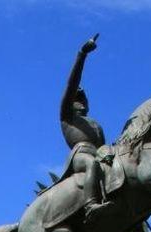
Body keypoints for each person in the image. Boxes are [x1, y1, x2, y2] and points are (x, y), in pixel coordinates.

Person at [59, 34, 106, 218]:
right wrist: (82, 54)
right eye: (76, 99)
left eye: (82, 99)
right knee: (92, 164)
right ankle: (90, 205)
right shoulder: (66, 116)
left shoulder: (95, 124)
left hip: (100, 154)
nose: (80, 102)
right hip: (81, 155)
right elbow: (72, 83)